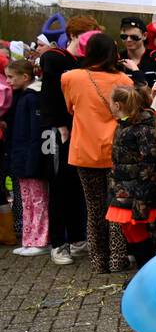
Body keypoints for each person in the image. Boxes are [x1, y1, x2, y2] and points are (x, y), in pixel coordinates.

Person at [61, 33, 135, 273]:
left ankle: (98, 261)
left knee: (93, 208)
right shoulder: (124, 79)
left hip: (85, 150)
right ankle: (118, 258)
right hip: (117, 150)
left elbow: (70, 107)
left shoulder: (71, 78)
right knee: (117, 206)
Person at [38, 18, 89, 264]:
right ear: (73, 36)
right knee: (59, 186)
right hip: (61, 132)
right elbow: (48, 96)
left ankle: (79, 237)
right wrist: (59, 125)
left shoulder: (85, 62)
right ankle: (58, 243)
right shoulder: (56, 59)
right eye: (84, 37)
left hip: (82, 131)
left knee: (78, 185)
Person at [105, 84, 156, 267]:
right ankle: (144, 271)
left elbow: (151, 165)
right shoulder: (125, 125)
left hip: (137, 193)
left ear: (118, 105)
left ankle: (148, 270)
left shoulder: (142, 129)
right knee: (129, 230)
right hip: (125, 191)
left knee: (136, 231)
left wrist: (143, 198)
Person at [4, 59, 52, 256]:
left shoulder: (32, 98)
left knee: (38, 199)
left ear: (25, 77)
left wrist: (33, 160)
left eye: (11, 77)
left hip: (31, 158)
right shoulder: (22, 97)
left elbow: (35, 132)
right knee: (26, 200)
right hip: (22, 158)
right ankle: (30, 238)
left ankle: (41, 240)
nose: (8, 81)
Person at [119, 16, 156, 89]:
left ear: (144, 36)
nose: (128, 40)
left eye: (134, 37)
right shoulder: (118, 58)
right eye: (124, 36)